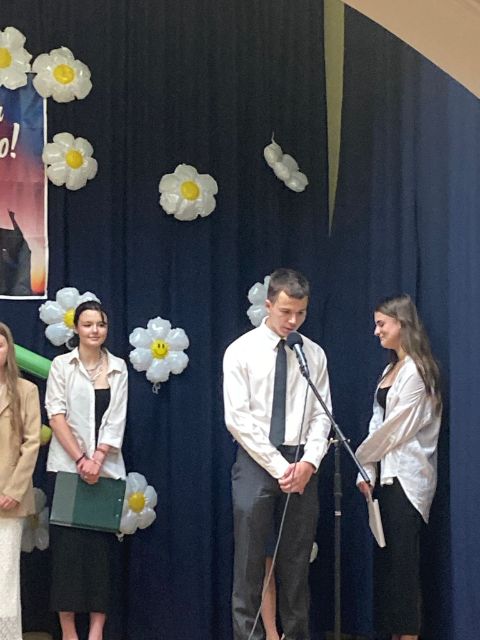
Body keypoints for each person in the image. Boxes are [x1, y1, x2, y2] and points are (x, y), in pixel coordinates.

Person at [223, 268, 331, 640]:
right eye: (286, 311)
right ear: (268, 305)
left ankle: (296, 635)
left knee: (297, 563)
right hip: (257, 461)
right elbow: (238, 418)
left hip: (301, 463)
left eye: (300, 313)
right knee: (250, 563)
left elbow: (322, 414)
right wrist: (280, 466)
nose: (293, 321)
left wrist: (310, 461)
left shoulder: (313, 353)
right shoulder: (241, 351)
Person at [356, 294, 442, 640]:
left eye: (382, 324)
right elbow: (377, 422)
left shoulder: (417, 372)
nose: (376, 331)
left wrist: (359, 456)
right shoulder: (388, 371)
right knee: (388, 570)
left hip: (407, 481)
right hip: (385, 480)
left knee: (403, 568)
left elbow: (396, 429)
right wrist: (367, 471)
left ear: (401, 324)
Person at [45, 300, 128, 640]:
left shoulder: (118, 367)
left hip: (105, 471)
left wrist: (98, 458)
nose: (95, 330)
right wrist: (81, 459)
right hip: (67, 469)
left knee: (100, 558)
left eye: (101, 324)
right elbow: (56, 415)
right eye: (88, 324)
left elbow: (116, 418)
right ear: (77, 328)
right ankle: (69, 632)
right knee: (67, 555)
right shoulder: (61, 365)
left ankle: (96, 632)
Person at [0, 322, 41, 640]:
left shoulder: (26, 390)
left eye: (0, 345)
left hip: (8, 499)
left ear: (8, 350)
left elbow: (31, 443)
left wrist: (13, 490)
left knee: (5, 577)